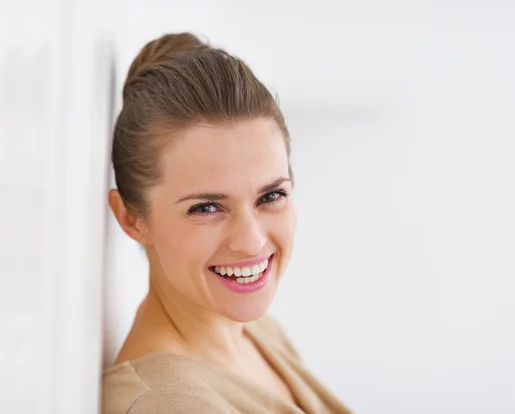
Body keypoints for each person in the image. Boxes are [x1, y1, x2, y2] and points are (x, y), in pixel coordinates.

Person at [102, 32, 352, 414]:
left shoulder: (253, 331)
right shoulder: (165, 405)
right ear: (131, 218)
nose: (251, 242)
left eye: (270, 196)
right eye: (206, 208)